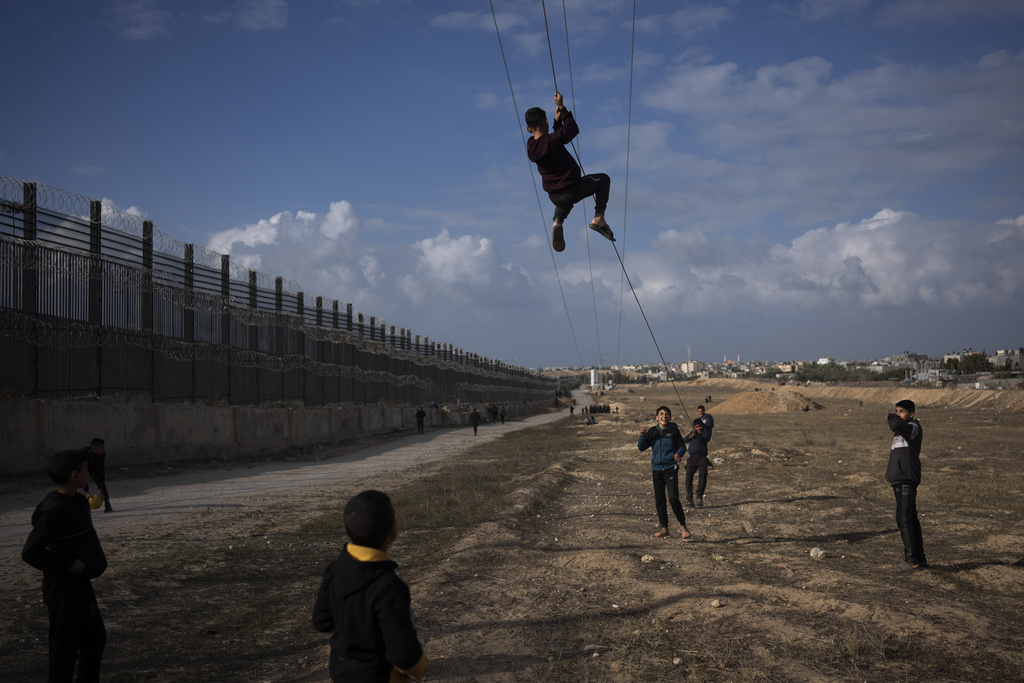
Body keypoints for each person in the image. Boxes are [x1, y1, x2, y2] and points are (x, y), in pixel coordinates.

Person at [313, 490, 428, 682]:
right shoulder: (389, 587)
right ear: (393, 530)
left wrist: (352, 626)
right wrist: (421, 667)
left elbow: (322, 621)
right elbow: (403, 652)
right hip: (380, 675)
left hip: (341, 671)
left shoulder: (334, 570)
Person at [22, 449, 108, 683]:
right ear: (74, 475)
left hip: (81, 584)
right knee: (64, 648)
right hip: (61, 587)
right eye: (85, 469)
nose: (88, 472)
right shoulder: (53, 509)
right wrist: (69, 564)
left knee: (95, 637)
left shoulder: (79, 501)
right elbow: (31, 552)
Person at [525, 92, 614, 252]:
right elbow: (572, 129)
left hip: (555, 197)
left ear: (528, 129)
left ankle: (557, 221)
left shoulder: (531, 146)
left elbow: (553, 139)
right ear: (545, 121)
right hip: (572, 189)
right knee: (604, 179)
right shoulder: (552, 140)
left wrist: (556, 123)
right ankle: (599, 218)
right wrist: (561, 108)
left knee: (565, 199)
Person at [885, 399, 928, 572]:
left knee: (904, 519)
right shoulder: (903, 429)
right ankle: (919, 558)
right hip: (900, 478)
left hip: (906, 479)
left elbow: (895, 424)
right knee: (910, 518)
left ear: (911, 414)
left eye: (902, 411)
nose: (898, 415)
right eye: (896, 411)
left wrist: (890, 417)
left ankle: (912, 561)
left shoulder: (913, 428)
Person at [637, 406, 691, 540]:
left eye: (667, 414)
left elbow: (682, 446)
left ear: (670, 417)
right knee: (659, 500)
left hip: (670, 468)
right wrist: (642, 436)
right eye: (661, 414)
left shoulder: (674, 431)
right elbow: (641, 448)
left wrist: (679, 453)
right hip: (656, 469)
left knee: (673, 498)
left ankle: (683, 528)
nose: (664, 416)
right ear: (657, 417)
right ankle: (664, 529)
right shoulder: (652, 431)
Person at [683, 419, 713, 508]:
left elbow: (705, 439)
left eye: (700, 426)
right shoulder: (692, 433)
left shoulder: (705, 433)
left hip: (702, 458)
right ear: (694, 427)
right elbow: (684, 440)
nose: (698, 428)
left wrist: (698, 434)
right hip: (692, 458)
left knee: (703, 476)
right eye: (696, 426)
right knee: (688, 478)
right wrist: (692, 435)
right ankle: (689, 498)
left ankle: (699, 496)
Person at [81, 437, 113, 513]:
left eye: (103, 447)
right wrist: (86, 491)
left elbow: (101, 470)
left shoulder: (102, 454)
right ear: (94, 448)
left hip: (94, 470)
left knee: (102, 484)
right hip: (82, 470)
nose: (103, 449)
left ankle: (107, 503)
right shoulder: (83, 454)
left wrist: (100, 488)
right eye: (101, 447)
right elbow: (81, 472)